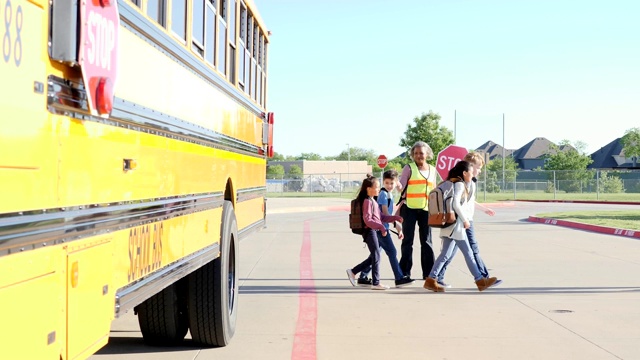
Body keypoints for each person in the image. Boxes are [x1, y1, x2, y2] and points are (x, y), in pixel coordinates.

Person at [423, 161, 499, 292]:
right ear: (464, 173)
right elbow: (456, 204)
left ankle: (431, 280)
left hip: (447, 223)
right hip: (456, 226)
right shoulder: (459, 184)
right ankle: (480, 280)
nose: (472, 174)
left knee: (445, 254)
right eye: (470, 172)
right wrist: (465, 220)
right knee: (468, 253)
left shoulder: (448, 182)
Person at [356, 170, 414, 288]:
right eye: (387, 183)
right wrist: (395, 224)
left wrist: (396, 224)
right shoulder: (383, 194)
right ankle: (399, 278)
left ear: (396, 182)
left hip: (381, 227)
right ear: (383, 182)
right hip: (380, 228)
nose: (389, 185)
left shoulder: (389, 194)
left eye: (392, 183)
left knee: (375, 255)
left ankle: (362, 275)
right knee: (392, 252)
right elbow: (385, 213)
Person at [346, 175, 403, 290]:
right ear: (368, 189)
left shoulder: (373, 201)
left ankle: (353, 271)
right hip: (369, 231)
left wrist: (394, 218)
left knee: (374, 256)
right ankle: (375, 283)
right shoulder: (367, 202)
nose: (378, 189)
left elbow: (380, 216)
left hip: (373, 230)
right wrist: (381, 228)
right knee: (376, 255)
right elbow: (368, 220)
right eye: (376, 187)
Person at [396, 141, 437, 281]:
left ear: (427, 154)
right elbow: (401, 184)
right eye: (416, 153)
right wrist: (397, 185)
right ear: (413, 155)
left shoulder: (432, 169)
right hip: (410, 208)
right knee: (408, 241)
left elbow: (434, 190)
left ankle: (429, 273)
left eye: (421, 153)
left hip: (427, 210)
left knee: (427, 241)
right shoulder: (409, 168)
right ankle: (404, 272)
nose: (418, 155)